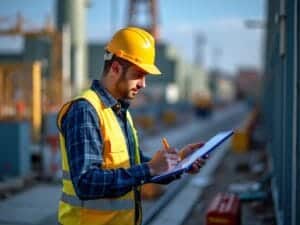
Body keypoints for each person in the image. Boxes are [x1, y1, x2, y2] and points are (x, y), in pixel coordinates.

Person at [57, 27, 205, 225]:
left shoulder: (119, 111)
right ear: (116, 68)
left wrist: (178, 162)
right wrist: (150, 169)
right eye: (138, 74)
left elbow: (131, 165)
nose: (143, 84)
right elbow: (86, 182)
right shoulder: (85, 111)